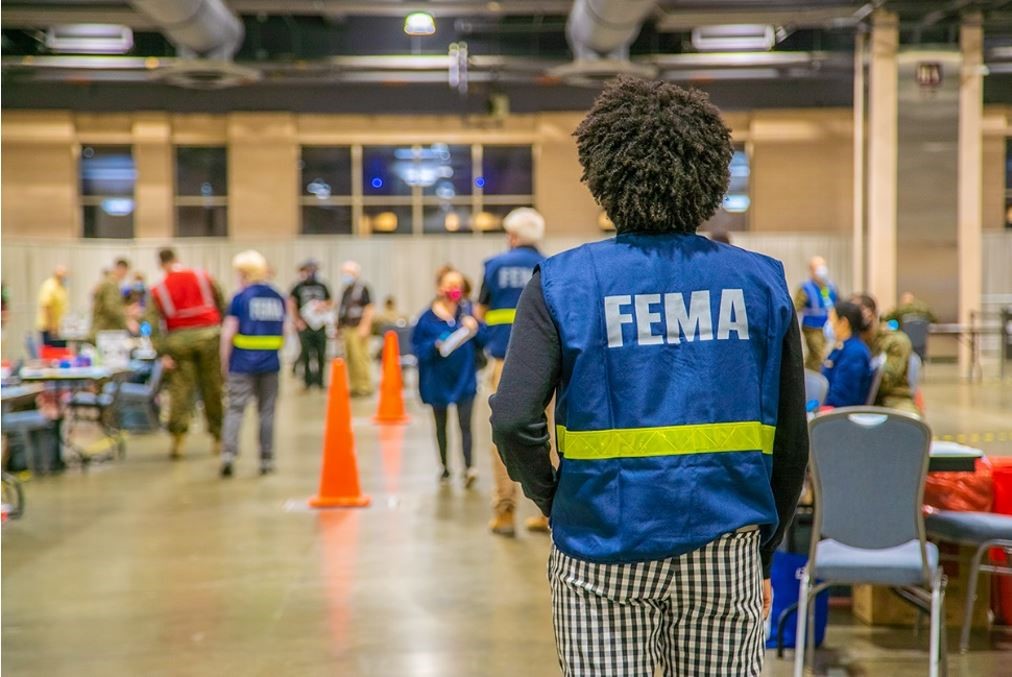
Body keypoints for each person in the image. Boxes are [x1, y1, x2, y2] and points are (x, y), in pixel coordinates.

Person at [490, 77, 808, 675]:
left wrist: (555, 503)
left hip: (599, 547)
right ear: (710, 176)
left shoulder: (561, 283)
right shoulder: (762, 282)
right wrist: (763, 547)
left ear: (604, 177)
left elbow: (511, 419)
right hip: (725, 544)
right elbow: (791, 439)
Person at [477, 207, 549, 537]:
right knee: (550, 433)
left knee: (504, 434)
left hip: (506, 361)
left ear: (513, 236)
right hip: (549, 363)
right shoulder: (550, 267)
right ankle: (550, 512)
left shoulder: (493, 266)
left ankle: (505, 512)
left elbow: (481, 311)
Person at [148, 248, 226, 459]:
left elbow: (153, 325)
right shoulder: (203, 276)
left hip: (179, 341)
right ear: (177, 259)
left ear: (161, 264)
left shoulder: (158, 289)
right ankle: (218, 437)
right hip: (209, 336)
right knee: (213, 388)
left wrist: (161, 352)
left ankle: (178, 440)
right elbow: (222, 302)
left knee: (180, 390)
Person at [412, 266, 486, 487]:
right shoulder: (426, 318)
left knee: (465, 424)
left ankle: (469, 467)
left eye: (458, 285)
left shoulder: (469, 312)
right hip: (437, 381)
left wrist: (476, 328)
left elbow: (485, 339)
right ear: (439, 287)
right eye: (449, 284)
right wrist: (434, 345)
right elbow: (417, 348)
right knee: (440, 425)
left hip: (465, 378)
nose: (454, 289)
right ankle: (444, 467)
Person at [219, 251, 286, 478]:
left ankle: (228, 454)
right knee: (266, 412)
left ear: (245, 273)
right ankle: (266, 458)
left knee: (235, 409)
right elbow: (284, 332)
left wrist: (224, 363)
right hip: (270, 364)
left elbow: (228, 334)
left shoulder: (240, 298)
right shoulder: (278, 297)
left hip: (241, 364)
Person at [852, 293, 919, 414]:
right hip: (859, 399)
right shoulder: (852, 342)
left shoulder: (895, 341)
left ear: (869, 314)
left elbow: (886, 382)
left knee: (910, 422)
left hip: (892, 399)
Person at [821, 301, 873, 408]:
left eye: (831, 320)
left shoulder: (855, 354)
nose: (829, 325)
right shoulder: (842, 347)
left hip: (839, 416)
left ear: (843, 323)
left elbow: (842, 398)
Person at [289, 260, 331, 390]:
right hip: (305, 326)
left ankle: (320, 381)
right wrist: (297, 321)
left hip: (320, 325)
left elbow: (330, 301)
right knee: (306, 354)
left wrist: (323, 306)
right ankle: (307, 382)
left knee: (321, 354)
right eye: (307, 270)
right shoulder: (298, 287)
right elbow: (292, 303)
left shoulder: (322, 286)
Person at [794, 256, 839, 371]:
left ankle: (808, 376)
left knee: (813, 358)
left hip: (828, 327)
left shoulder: (830, 287)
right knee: (821, 355)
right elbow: (795, 308)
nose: (822, 270)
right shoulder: (805, 289)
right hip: (812, 328)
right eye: (818, 267)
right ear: (811, 270)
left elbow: (837, 304)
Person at [337, 260, 375, 397]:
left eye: (347, 273)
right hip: (347, 328)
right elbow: (342, 310)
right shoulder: (346, 289)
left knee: (360, 358)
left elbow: (369, 308)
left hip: (358, 327)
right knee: (351, 358)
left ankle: (364, 386)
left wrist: (365, 326)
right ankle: (354, 386)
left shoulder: (363, 288)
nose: (345, 276)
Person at [91, 258, 138, 337]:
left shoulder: (110, 282)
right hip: (105, 330)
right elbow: (112, 308)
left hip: (106, 330)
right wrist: (127, 321)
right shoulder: (111, 284)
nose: (125, 275)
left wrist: (127, 310)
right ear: (121, 269)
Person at [36, 265, 69, 346]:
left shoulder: (60, 286)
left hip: (58, 328)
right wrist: (52, 328)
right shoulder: (49, 286)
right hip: (49, 328)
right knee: (51, 353)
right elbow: (47, 307)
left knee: (60, 353)